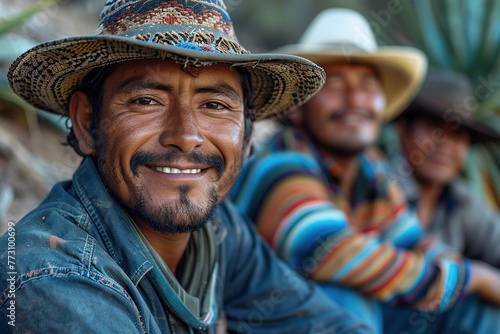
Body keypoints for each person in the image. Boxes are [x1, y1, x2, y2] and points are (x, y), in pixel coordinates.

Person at [0, 1, 372, 333]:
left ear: (246, 137)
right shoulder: (51, 279)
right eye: (146, 100)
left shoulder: (219, 230)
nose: (186, 136)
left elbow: (322, 321)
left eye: (214, 105)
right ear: (86, 123)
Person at [230, 8, 500, 334]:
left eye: (367, 85)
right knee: (345, 299)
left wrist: (460, 275)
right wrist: (470, 278)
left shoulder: (371, 171)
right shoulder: (280, 163)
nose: (355, 98)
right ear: (298, 107)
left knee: (473, 312)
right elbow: (327, 249)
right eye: (335, 84)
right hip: (257, 323)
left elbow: (413, 239)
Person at [391, 68, 500, 267]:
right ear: (403, 130)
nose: (445, 144)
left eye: (457, 133)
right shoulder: (379, 185)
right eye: (433, 127)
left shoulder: (462, 199)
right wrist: (478, 280)